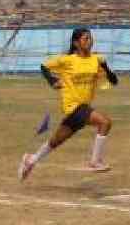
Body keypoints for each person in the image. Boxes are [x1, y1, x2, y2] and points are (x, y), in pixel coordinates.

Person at [19, 28, 119, 181]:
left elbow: (114, 81)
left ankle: (31, 159)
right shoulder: (67, 60)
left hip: (83, 107)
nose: (89, 41)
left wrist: (105, 67)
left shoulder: (96, 60)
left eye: (90, 38)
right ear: (76, 43)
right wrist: (52, 81)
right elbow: (44, 67)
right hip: (73, 106)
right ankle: (95, 161)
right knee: (105, 122)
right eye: (85, 39)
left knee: (56, 141)